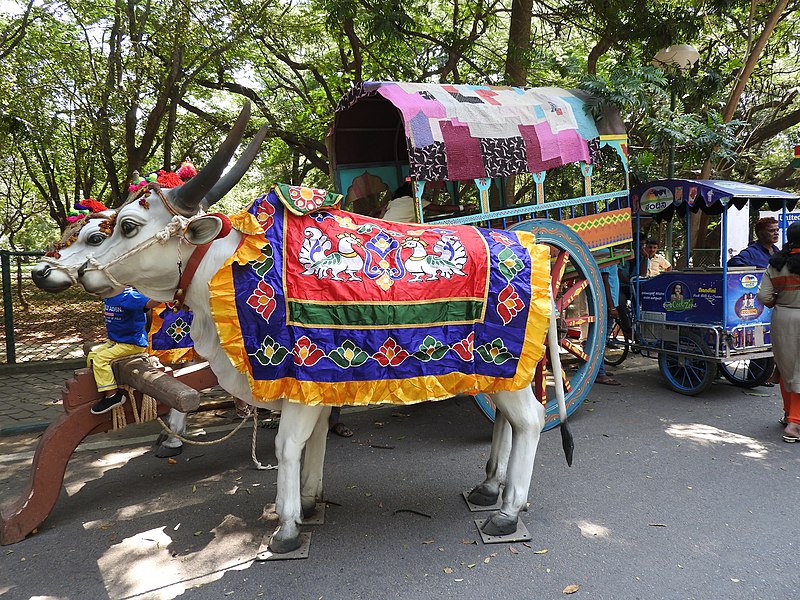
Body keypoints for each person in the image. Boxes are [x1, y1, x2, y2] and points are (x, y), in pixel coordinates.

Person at [756, 221, 800, 442]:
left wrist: (777, 302)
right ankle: (795, 424)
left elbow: (763, 296)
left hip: (782, 318)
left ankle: (787, 413)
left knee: (785, 368)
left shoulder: (775, 264)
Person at [89, 288, 159, 415]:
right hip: (116, 341)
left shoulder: (129, 296)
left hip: (131, 343)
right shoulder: (108, 294)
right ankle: (100, 388)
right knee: (93, 355)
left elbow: (150, 303)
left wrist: (164, 294)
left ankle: (112, 395)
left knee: (100, 360)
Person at [382, 182, 465, 222]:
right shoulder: (416, 201)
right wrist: (463, 207)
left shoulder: (396, 201)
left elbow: (378, 211)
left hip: (385, 226)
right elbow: (442, 208)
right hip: (399, 228)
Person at [596, 264, 621, 385]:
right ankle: (599, 373)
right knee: (602, 340)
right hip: (606, 304)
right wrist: (611, 307)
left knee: (601, 340)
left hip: (608, 303)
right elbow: (604, 280)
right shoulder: (605, 251)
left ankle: (598, 370)